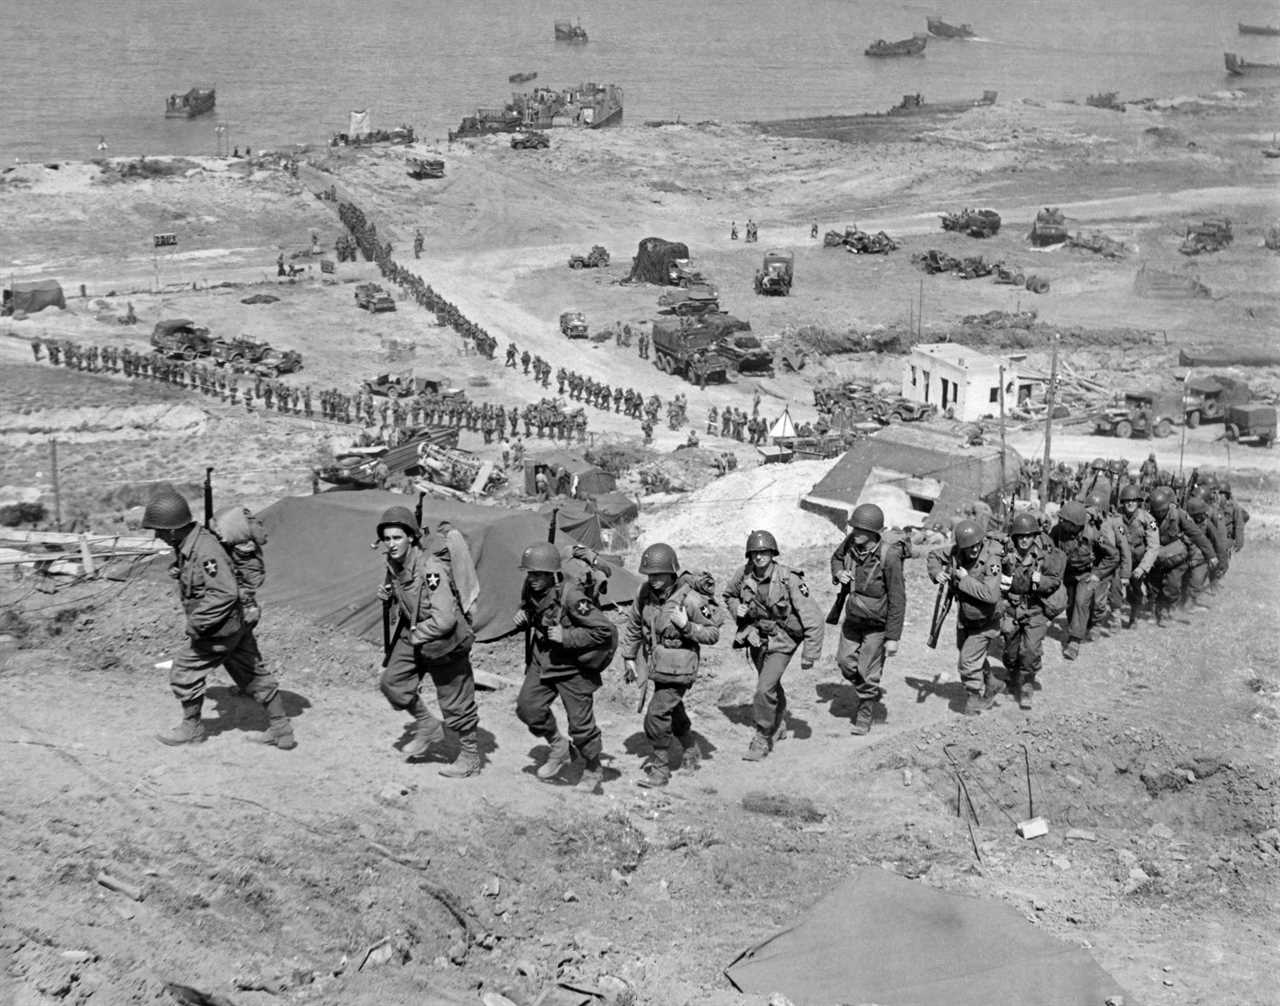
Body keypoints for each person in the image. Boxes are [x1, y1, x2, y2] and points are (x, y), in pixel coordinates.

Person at [141, 488, 295, 749]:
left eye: (159, 530)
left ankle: (192, 729)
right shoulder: (190, 544)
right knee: (253, 673)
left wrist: (197, 624)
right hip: (235, 625)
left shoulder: (205, 550)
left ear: (172, 529)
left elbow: (224, 593)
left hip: (219, 628)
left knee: (184, 671)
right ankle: (282, 730)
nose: (157, 536)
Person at [375, 506, 481, 777]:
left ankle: (470, 758)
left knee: (455, 703)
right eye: (386, 539)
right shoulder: (395, 565)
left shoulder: (431, 569)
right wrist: (390, 597)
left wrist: (417, 635)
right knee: (392, 681)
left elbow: (444, 619)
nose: (391, 544)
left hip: (444, 640)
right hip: (416, 634)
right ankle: (427, 724)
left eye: (397, 538)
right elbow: (408, 598)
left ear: (411, 537)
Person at [513, 543, 617, 793]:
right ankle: (559, 747)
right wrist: (522, 618)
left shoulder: (572, 596)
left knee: (581, 727)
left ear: (551, 573)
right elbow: (530, 610)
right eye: (530, 573)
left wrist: (567, 637)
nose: (533, 579)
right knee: (528, 709)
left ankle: (593, 768)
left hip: (573, 667)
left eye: (538, 574)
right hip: (544, 659)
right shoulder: (531, 588)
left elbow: (603, 631)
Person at [620, 544, 723, 788]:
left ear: (672, 573)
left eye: (659, 574)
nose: (653, 579)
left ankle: (660, 770)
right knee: (673, 709)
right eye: (650, 574)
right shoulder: (644, 593)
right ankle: (690, 749)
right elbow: (635, 624)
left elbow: (713, 633)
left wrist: (687, 626)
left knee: (656, 715)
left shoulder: (690, 600)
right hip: (658, 665)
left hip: (681, 667)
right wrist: (628, 656)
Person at [723, 531, 823, 759]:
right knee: (770, 684)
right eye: (755, 553)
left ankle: (762, 737)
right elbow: (728, 594)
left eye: (764, 552)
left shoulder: (789, 578)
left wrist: (810, 653)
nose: (759, 557)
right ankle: (778, 725)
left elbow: (813, 617)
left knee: (763, 689)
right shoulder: (744, 573)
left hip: (783, 639)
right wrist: (735, 607)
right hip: (757, 637)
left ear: (772, 553)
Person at [829, 504, 905, 734]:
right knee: (844, 663)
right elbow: (836, 559)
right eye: (854, 527)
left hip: (877, 626)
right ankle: (868, 690)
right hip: (852, 620)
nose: (856, 532)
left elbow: (898, 599)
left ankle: (865, 711)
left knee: (867, 671)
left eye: (861, 529)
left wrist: (893, 637)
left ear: (874, 532)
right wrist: (838, 573)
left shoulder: (889, 557)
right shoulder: (851, 544)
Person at [927, 518, 1005, 715]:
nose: (972, 551)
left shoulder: (992, 560)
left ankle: (973, 698)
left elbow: (991, 594)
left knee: (967, 661)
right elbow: (934, 555)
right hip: (966, 617)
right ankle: (992, 682)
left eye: (975, 546)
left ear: (981, 542)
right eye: (967, 547)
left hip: (987, 621)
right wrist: (937, 573)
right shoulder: (958, 550)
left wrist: (964, 579)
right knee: (967, 652)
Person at [999, 512, 1066, 710]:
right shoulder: (1006, 556)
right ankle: (1012, 675)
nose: (1024, 540)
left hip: (1035, 609)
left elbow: (1054, 581)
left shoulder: (1044, 556)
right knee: (1010, 651)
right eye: (1020, 536)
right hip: (1012, 609)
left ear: (1035, 536)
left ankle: (1027, 682)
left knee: (1031, 650)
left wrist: (1041, 581)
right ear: (1015, 537)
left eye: (1028, 536)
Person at [1050, 500, 1118, 660]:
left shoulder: (1094, 534)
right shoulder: (1057, 531)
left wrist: (1098, 574)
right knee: (1070, 603)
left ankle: (1074, 641)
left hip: (1087, 575)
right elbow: (1047, 548)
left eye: (1065, 521)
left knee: (1081, 602)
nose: (1061, 523)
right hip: (1067, 574)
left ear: (1076, 524)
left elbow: (1113, 555)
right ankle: (1077, 627)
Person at [1145, 486, 1214, 625]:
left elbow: (1197, 534)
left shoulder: (1178, 514)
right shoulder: (1148, 517)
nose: (1160, 514)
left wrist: (1210, 554)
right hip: (1156, 557)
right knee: (1153, 586)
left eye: (1162, 510)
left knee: (1172, 586)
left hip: (1176, 557)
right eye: (1157, 511)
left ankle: (1165, 610)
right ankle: (1154, 610)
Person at [1118, 484, 1160, 627]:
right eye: (1127, 501)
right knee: (1123, 587)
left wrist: (1142, 568)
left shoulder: (1149, 520)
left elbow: (1154, 546)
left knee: (1143, 585)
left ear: (1138, 502)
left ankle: (1144, 613)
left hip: (1142, 558)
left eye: (1134, 500)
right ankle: (1125, 616)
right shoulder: (1117, 518)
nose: (1130, 503)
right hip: (1124, 558)